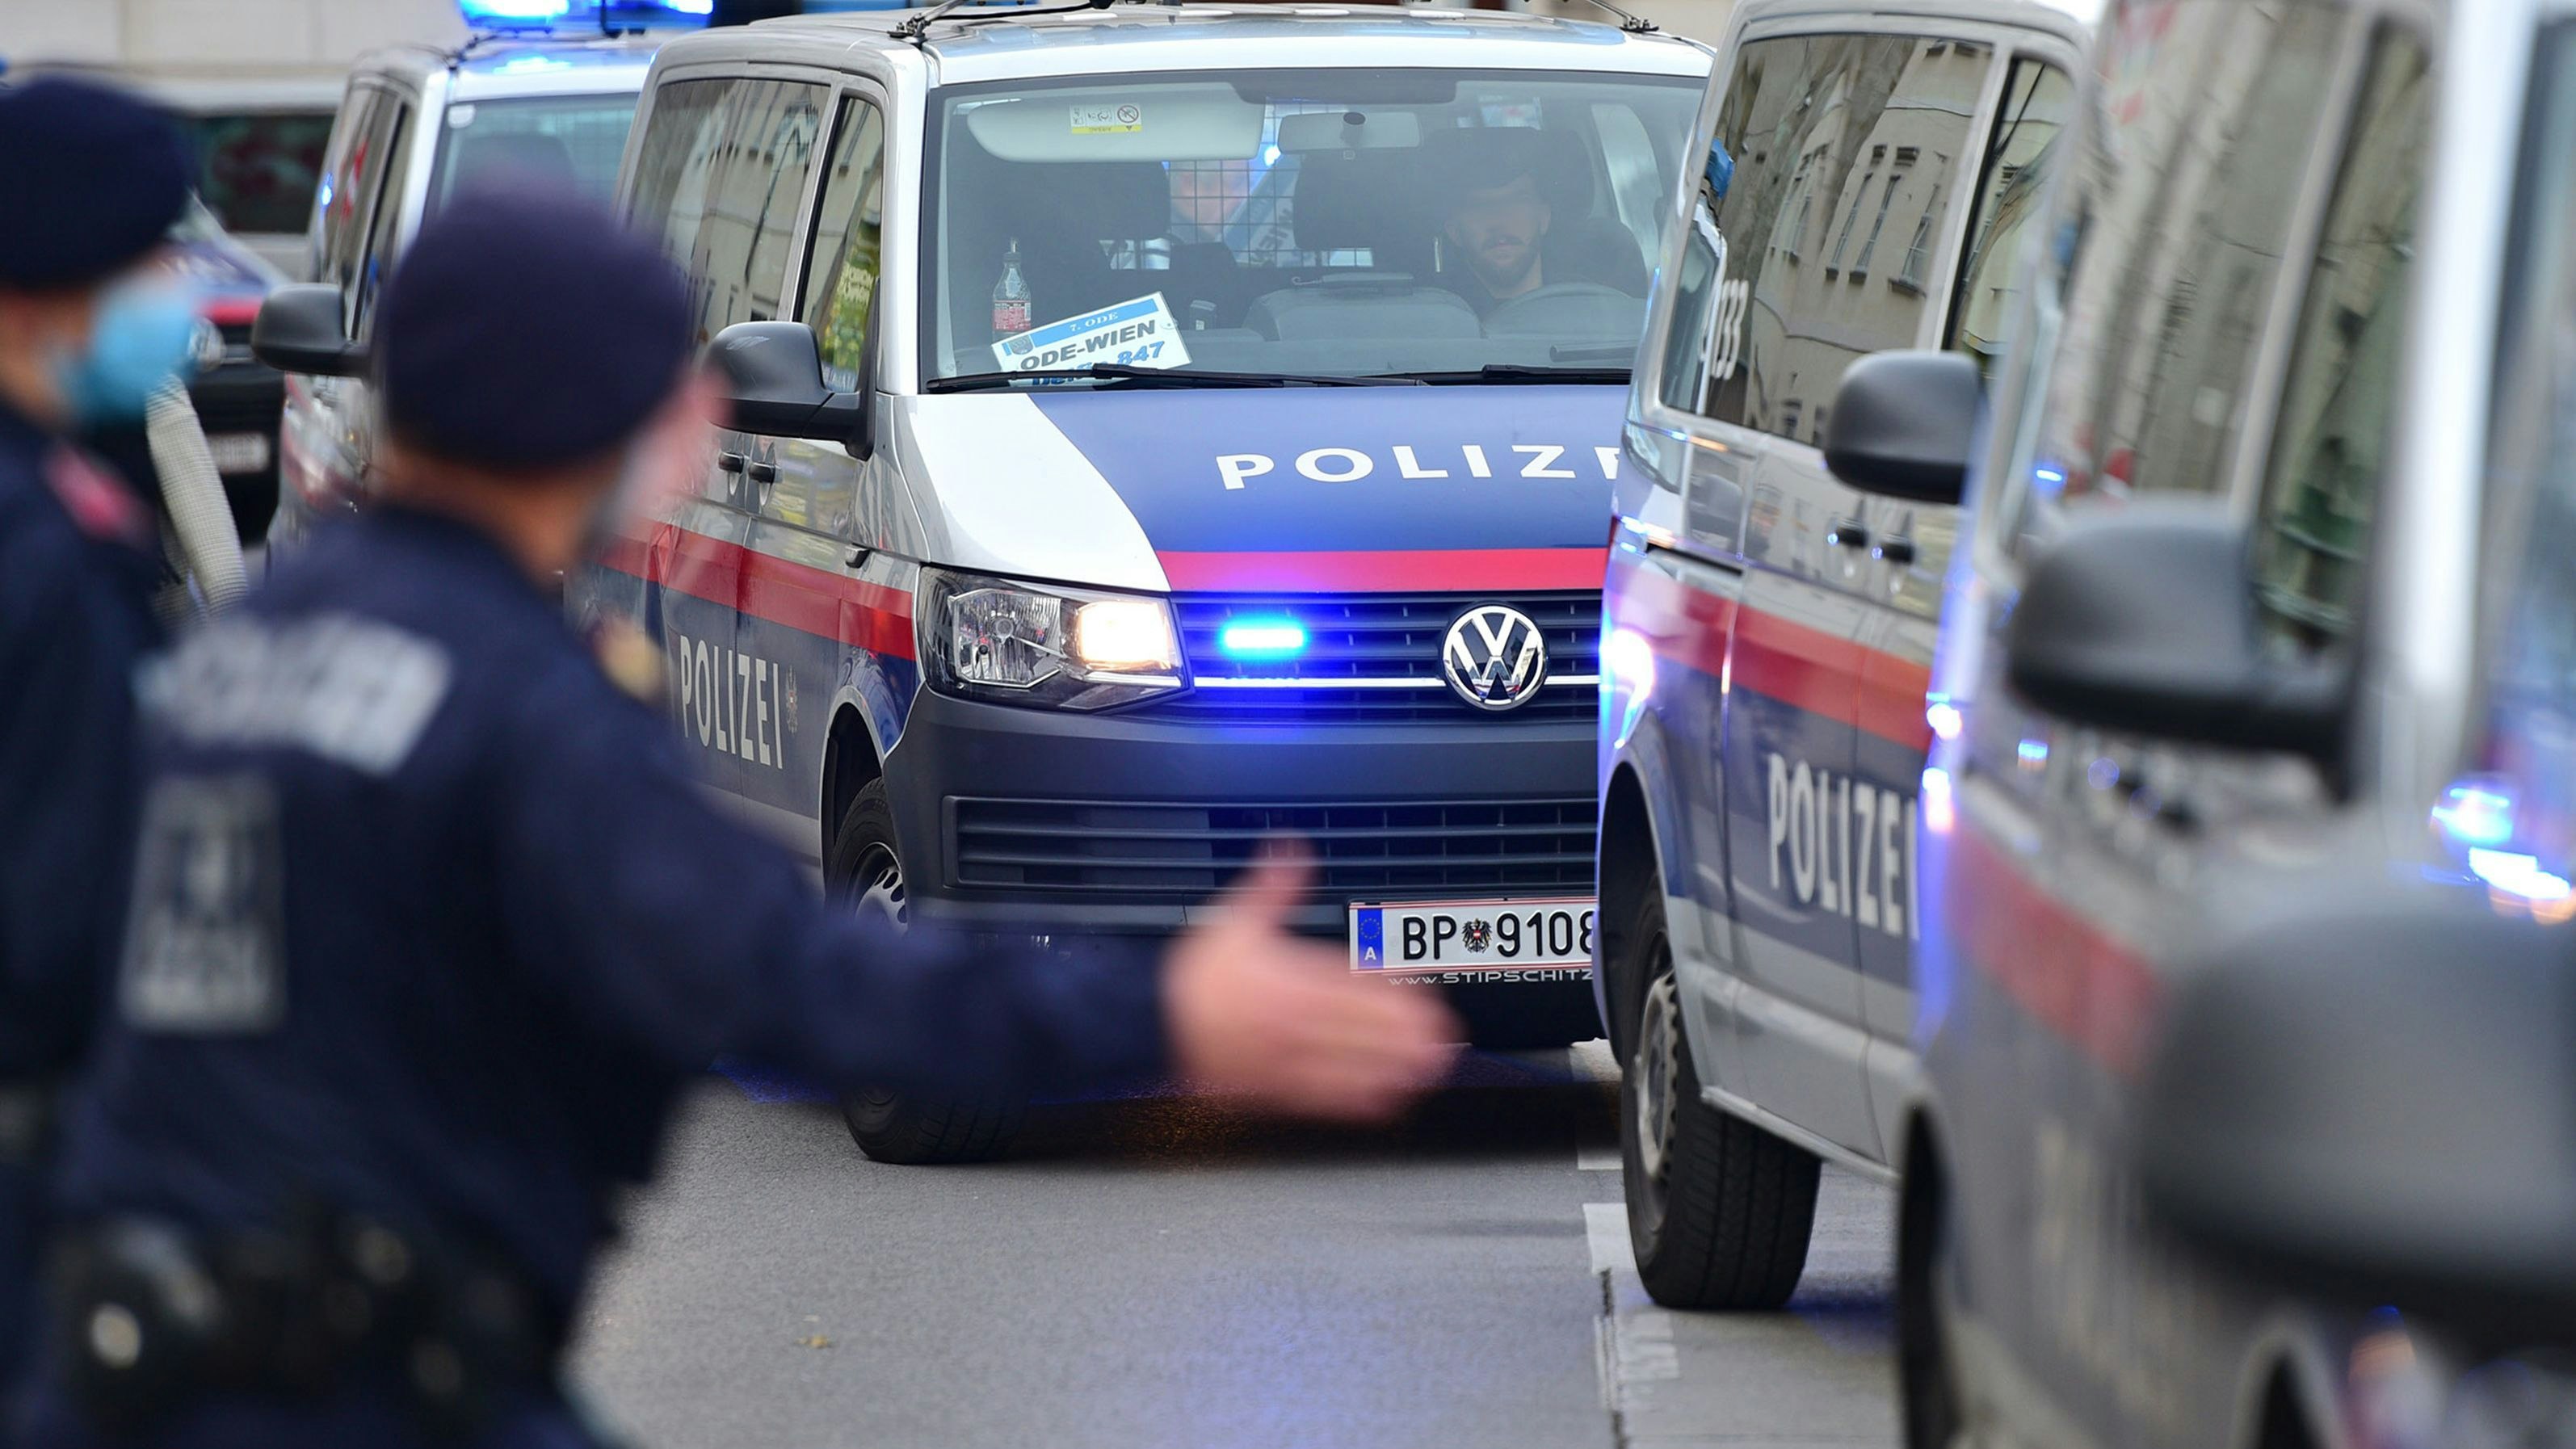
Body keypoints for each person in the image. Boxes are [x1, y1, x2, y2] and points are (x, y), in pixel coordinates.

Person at [11, 183, 1458, 1448]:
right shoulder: (514, 705)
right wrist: (1162, 1014)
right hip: (343, 1380)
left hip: (137, 1355)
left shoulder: (257, 641)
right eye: (672, 389)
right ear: (597, 419)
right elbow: (787, 971)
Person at [0, 77, 197, 1422]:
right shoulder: (37, 549)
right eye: (144, 259)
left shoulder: (62, 489)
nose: (175, 290)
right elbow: (65, 912)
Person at [1433, 128, 1557, 314]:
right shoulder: (1433, 317)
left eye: (1515, 203)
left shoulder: (1592, 307)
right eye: (1480, 207)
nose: (1499, 221)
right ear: (1454, 231)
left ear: (1544, 217)